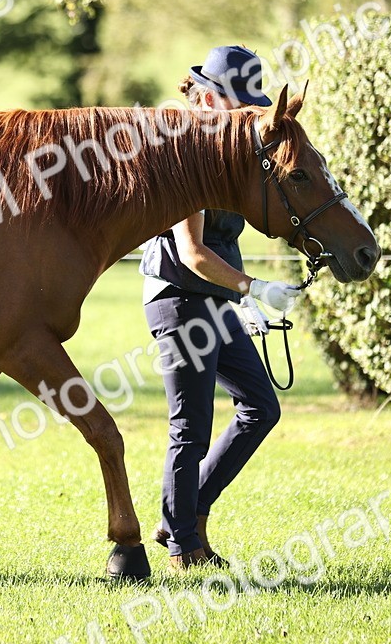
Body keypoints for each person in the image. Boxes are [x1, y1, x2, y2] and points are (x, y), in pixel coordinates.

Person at [139, 45, 302, 569]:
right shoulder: (184, 156)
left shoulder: (230, 152)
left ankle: (182, 516)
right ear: (208, 99)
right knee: (191, 427)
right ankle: (184, 547)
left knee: (261, 407)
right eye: (238, 103)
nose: (247, 115)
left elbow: (226, 241)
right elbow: (192, 252)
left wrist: (240, 298)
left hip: (214, 297)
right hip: (177, 298)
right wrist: (253, 289)